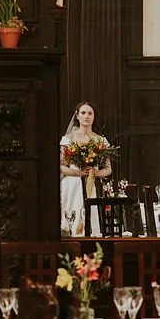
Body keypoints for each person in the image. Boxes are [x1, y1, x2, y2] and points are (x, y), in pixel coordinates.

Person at [60, 101, 113, 238]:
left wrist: (96, 173)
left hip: (91, 184)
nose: (86, 116)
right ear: (77, 116)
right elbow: (61, 166)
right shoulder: (68, 139)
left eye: (90, 113)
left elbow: (108, 169)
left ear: (94, 116)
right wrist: (78, 172)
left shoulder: (100, 140)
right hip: (72, 184)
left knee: (90, 217)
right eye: (83, 113)